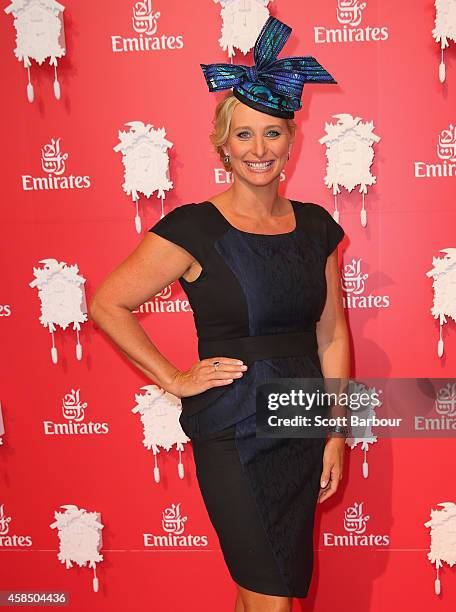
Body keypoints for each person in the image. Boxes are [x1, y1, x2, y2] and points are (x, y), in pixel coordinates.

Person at [90, 16, 350, 612]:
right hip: (233, 429)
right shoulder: (193, 227)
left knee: (265, 589)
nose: (260, 150)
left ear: (292, 138)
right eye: (244, 136)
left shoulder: (316, 228)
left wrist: (335, 432)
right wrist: (174, 379)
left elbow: (331, 334)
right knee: (273, 598)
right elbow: (109, 302)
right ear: (223, 144)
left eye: (274, 133)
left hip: (300, 425)